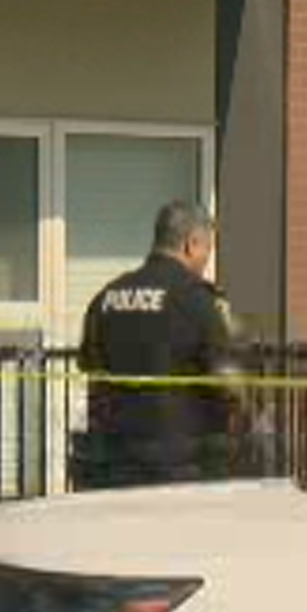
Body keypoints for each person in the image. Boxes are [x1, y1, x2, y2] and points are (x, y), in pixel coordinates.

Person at [73, 200, 238, 490]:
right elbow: (228, 380)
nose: (206, 261)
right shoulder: (198, 300)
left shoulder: (107, 297)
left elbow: (89, 366)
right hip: (177, 465)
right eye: (206, 250)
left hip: (112, 460)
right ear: (191, 244)